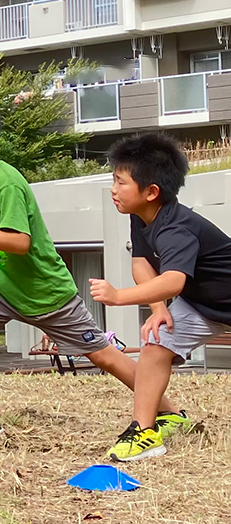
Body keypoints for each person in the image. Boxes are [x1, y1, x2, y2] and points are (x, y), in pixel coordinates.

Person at [0, 96, 171, 441]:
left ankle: (168, 411)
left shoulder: (6, 182)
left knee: (104, 357)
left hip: (45, 293)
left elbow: (20, 242)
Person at [89, 133, 209, 462]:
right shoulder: (141, 216)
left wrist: (118, 296)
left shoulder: (176, 228)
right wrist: (157, 310)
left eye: (120, 182)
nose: (113, 190)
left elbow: (172, 280)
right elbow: (141, 262)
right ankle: (146, 430)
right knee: (156, 344)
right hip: (202, 306)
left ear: (151, 192)